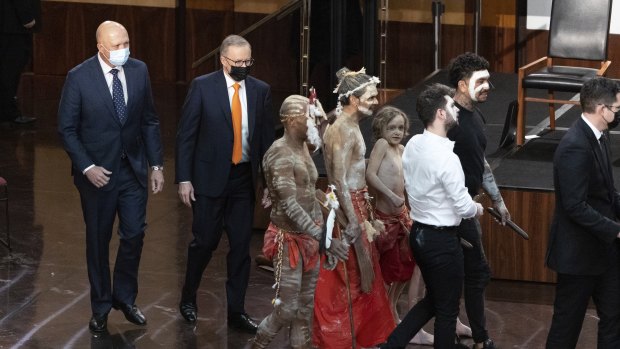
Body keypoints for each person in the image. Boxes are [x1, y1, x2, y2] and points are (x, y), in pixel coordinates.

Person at [58, 21, 165, 334]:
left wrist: (156, 165)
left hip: (132, 169)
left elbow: (149, 121)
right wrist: (87, 167)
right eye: (117, 45)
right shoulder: (78, 78)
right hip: (97, 175)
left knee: (134, 234)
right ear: (100, 47)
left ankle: (125, 297)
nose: (123, 50)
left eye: (126, 43)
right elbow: (66, 129)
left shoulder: (139, 70)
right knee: (98, 241)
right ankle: (101, 305)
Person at [176, 34, 275, 333]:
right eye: (238, 62)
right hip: (208, 180)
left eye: (248, 61)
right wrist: (184, 178)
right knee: (204, 243)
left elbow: (266, 141)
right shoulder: (202, 87)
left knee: (241, 248)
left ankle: (236, 311)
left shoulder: (261, 91)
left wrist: (269, 181)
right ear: (223, 60)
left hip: (243, 180)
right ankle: (188, 297)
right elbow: (186, 136)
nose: (244, 66)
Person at [380, 83, 483, 349]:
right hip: (442, 242)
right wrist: (476, 208)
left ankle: (391, 345)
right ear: (440, 113)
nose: (456, 109)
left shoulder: (414, 143)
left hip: (419, 235)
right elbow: (463, 207)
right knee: (447, 310)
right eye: (451, 106)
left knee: (434, 301)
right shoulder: (447, 159)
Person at [251, 95, 349, 348]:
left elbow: (318, 139)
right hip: (289, 239)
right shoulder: (279, 154)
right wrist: (325, 240)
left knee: (305, 310)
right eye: (310, 119)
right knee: (286, 308)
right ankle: (257, 344)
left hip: (310, 238)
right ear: (293, 120)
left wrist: (330, 116)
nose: (314, 125)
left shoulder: (303, 146)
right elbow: (289, 205)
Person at [312, 67, 395, 348]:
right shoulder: (341, 130)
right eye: (371, 97)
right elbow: (338, 181)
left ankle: (360, 336)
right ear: (354, 99)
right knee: (348, 278)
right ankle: (341, 338)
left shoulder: (350, 125)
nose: (375, 101)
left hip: (357, 204)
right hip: (346, 209)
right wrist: (354, 223)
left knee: (362, 276)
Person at [545, 77, 620, 348]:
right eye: (617, 109)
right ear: (602, 109)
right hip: (578, 256)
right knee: (566, 328)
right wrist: (616, 229)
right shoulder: (575, 145)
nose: (618, 114)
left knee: (614, 319)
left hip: (604, 252)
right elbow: (574, 205)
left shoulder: (600, 137)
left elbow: (605, 192)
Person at [447, 52, 510, 349]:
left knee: (472, 273)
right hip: (452, 211)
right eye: (481, 81)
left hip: (469, 206)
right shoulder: (446, 121)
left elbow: (480, 163)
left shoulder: (477, 117)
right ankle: (480, 339)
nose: (488, 86)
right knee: (474, 272)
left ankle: (464, 334)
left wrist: (498, 200)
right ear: (462, 84)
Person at [366, 105, 433, 346]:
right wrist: (389, 195)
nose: (396, 132)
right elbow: (370, 174)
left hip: (402, 215)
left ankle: (393, 311)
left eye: (400, 128)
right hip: (385, 217)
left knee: (405, 267)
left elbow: (408, 179)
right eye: (391, 127)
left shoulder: (402, 149)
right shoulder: (382, 146)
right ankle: (379, 320)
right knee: (386, 270)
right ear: (381, 128)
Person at [0, 0, 39, 124]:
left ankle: (6, 110)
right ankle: (7, 112)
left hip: (8, 24)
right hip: (14, 25)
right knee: (10, 69)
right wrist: (27, 17)